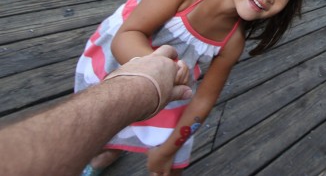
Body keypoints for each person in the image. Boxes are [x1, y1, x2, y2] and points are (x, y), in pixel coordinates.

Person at [74, 0, 310, 175]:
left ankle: (116, 149)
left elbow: (203, 101)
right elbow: (127, 36)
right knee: (102, 122)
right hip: (124, 56)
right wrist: (160, 71)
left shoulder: (232, 42)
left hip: (171, 81)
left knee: (171, 154)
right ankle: (105, 154)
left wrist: (167, 151)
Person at [0, 46, 193, 176]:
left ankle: (105, 157)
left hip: (151, 88)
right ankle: (101, 156)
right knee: (107, 136)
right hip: (138, 72)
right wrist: (143, 85)